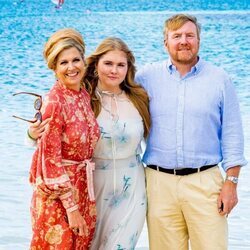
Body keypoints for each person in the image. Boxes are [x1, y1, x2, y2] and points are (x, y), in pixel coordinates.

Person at [135, 13, 247, 250]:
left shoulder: (219, 79)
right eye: (176, 36)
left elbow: (233, 134)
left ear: (199, 40)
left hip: (205, 182)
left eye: (189, 35)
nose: (183, 41)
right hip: (158, 183)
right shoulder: (145, 78)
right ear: (165, 42)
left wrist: (232, 182)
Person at [27, 37, 150, 249]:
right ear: (95, 64)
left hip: (112, 187)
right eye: (108, 63)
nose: (114, 70)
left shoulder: (84, 95)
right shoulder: (79, 95)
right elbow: (50, 149)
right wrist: (31, 134)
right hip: (83, 187)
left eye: (120, 65)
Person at [27, 28, 100, 249]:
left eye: (76, 60)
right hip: (58, 200)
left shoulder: (83, 95)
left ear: (84, 61)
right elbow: (50, 161)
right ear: (54, 68)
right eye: (63, 63)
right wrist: (72, 209)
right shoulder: (54, 101)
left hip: (84, 191)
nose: (71, 67)